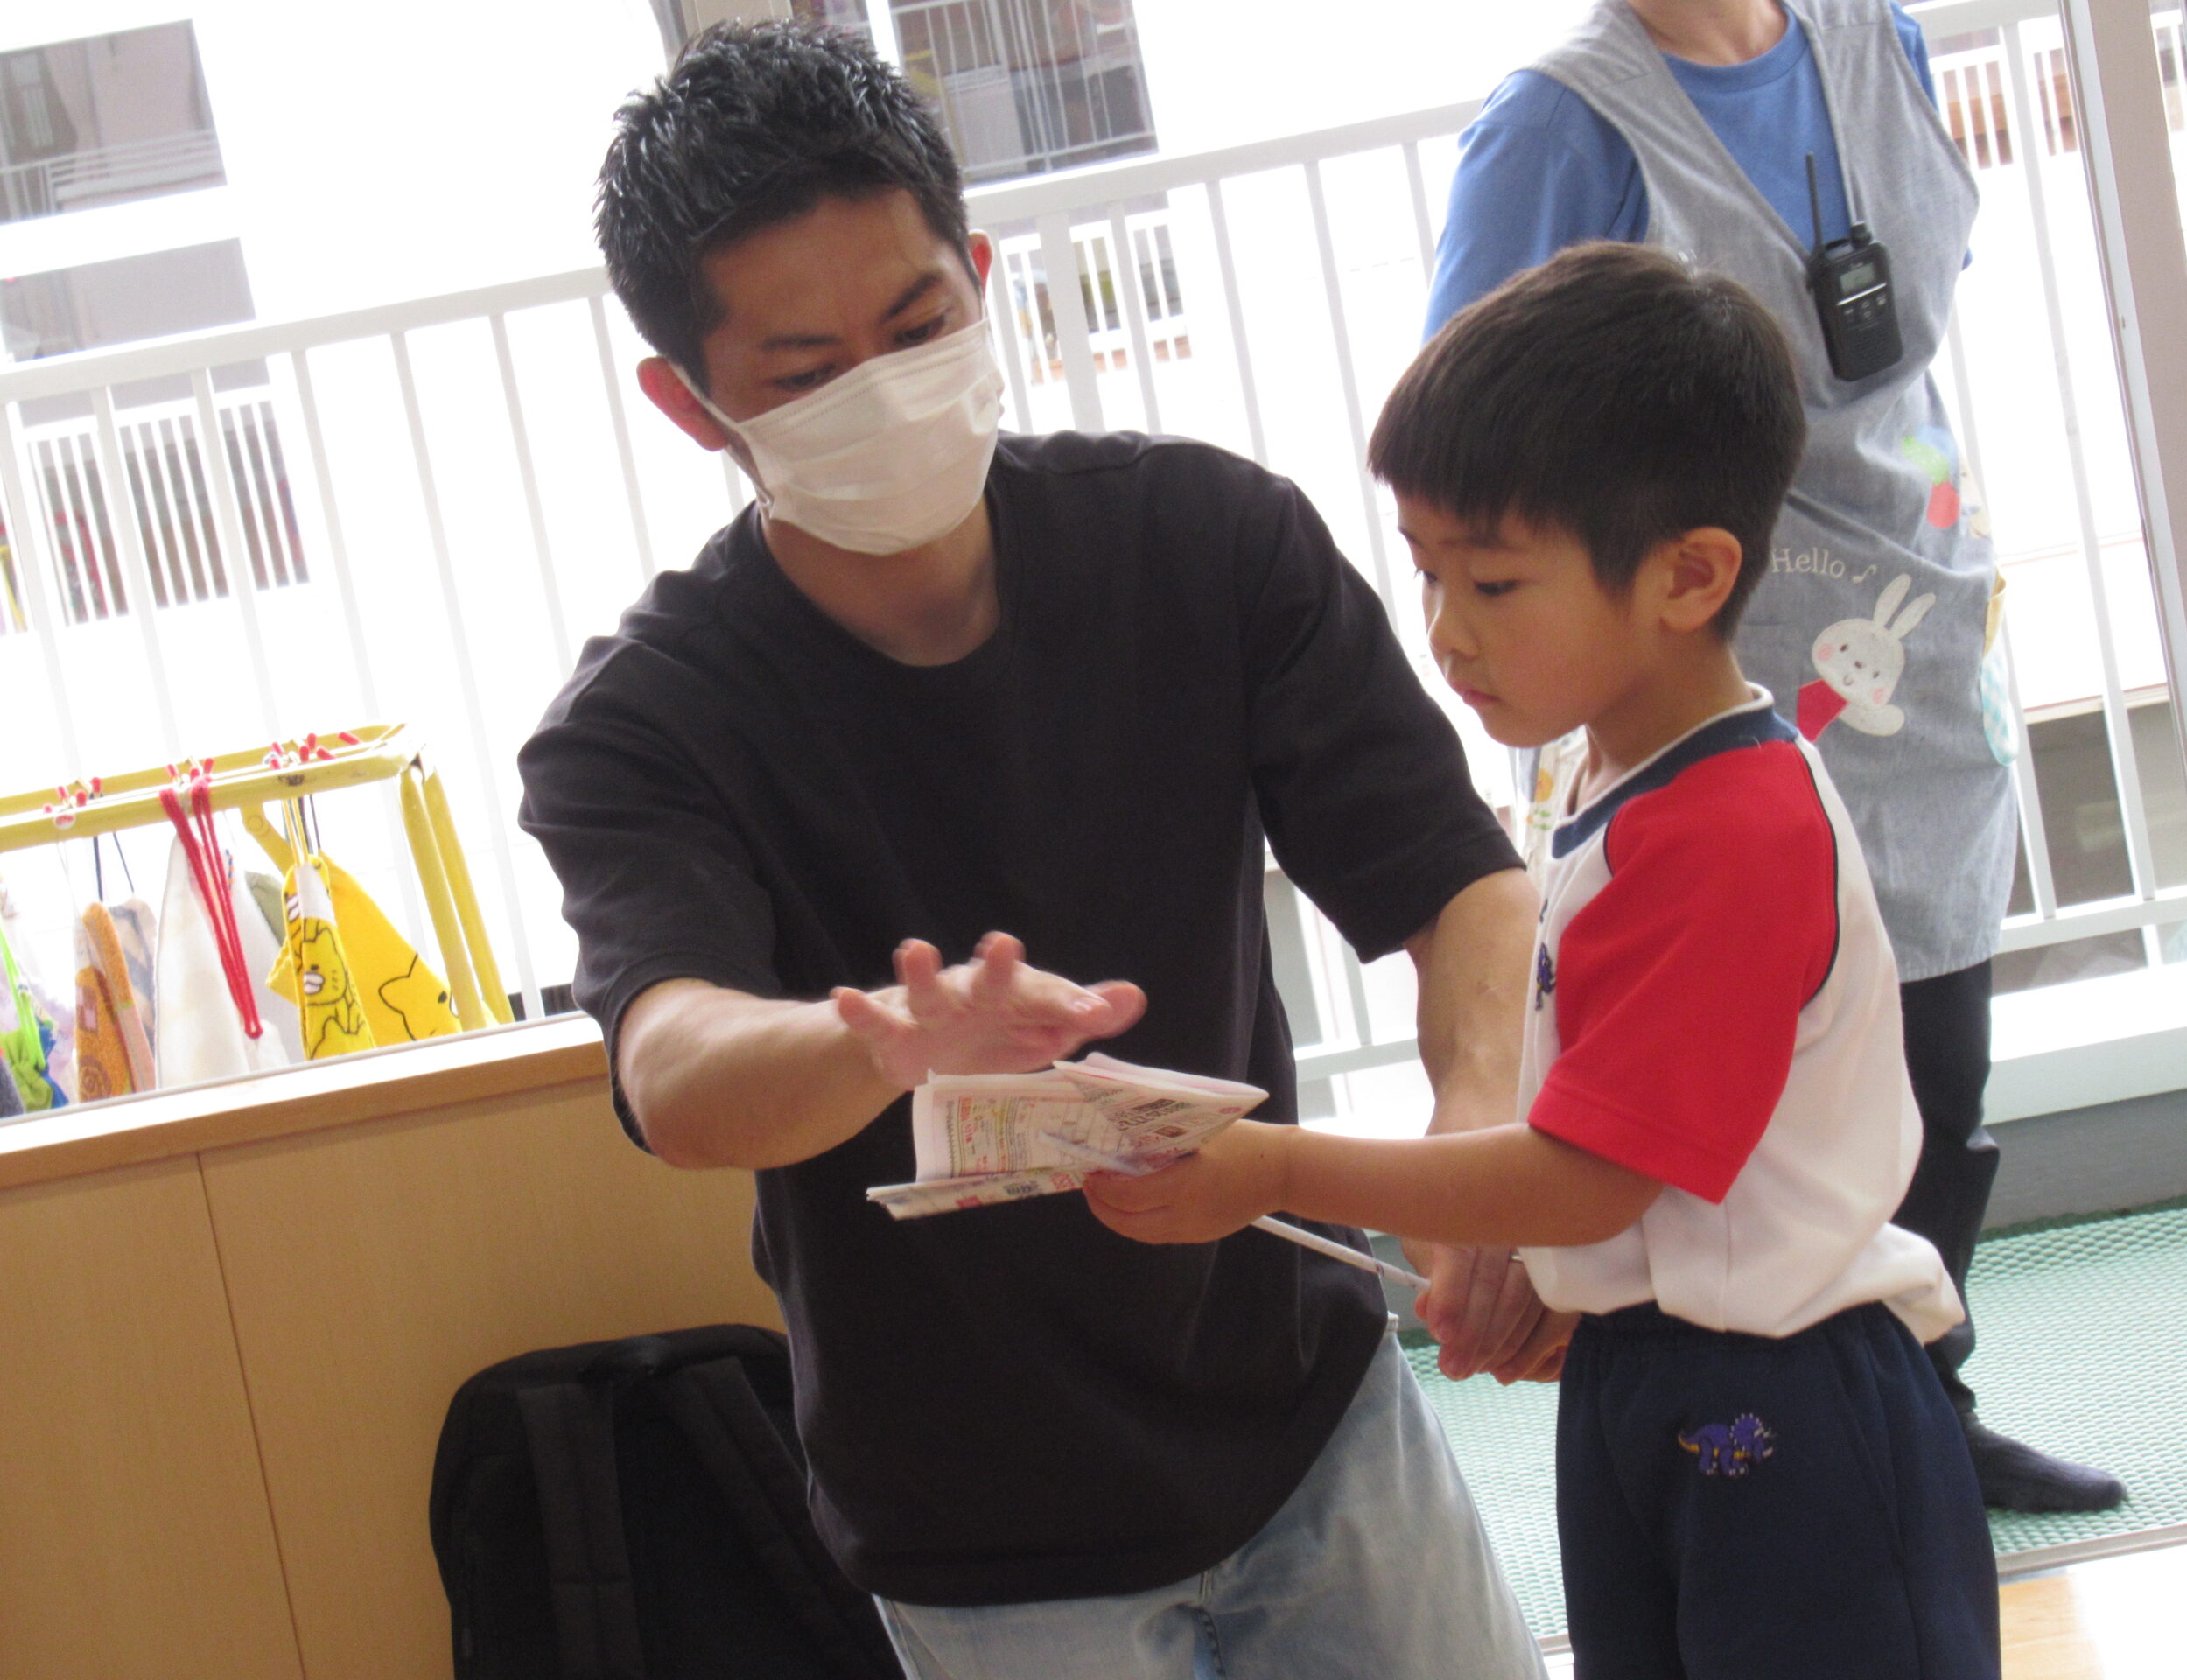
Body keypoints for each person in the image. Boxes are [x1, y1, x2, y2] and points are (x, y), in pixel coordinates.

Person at [519, 21, 1553, 1679]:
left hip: (1305, 1410)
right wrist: (877, 1043)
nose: (884, 390)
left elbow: (1458, 881)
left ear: (983, 277)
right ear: (688, 402)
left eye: (919, 326)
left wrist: (1475, 1129)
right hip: (979, 1526)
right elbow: (677, 1067)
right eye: (805, 371)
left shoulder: (1207, 541)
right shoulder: (648, 721)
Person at [1086, 242, 2001, 1680]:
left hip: (1791, 1402)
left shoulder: (1727, 824)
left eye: (1497, 583)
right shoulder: (1616, 770)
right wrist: (1567, 1278)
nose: (1447, 633)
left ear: (1690, 576)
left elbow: (1588, 1173)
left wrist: (1271, 1170)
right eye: (1427, 573)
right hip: (1655, 1373)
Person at [1422, 0, 2127, 1515]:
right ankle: (1772, 1435)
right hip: (1713, 675)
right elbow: (1475, 451)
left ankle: (1921, 1395)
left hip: (1916, 622)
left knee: (1929, 1056)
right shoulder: (1559, 123)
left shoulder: (1879, 40)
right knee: (1732, 1105)